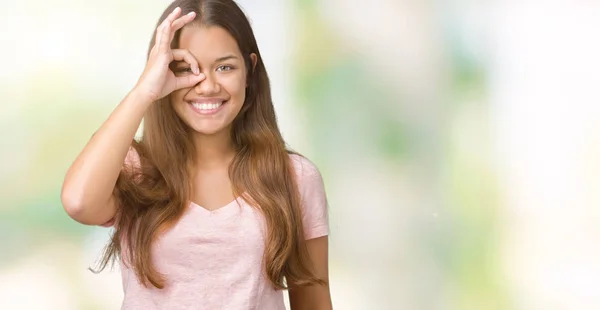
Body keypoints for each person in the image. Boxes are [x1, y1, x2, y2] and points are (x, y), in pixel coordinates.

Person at [60, 0, 332, 309]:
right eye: (187, 69)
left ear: (250, 70)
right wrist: (143, 92)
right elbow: (78, 202)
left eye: (225, 67)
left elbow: (313, 302)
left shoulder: (295, 177)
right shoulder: (135, 169)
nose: (207, 86)